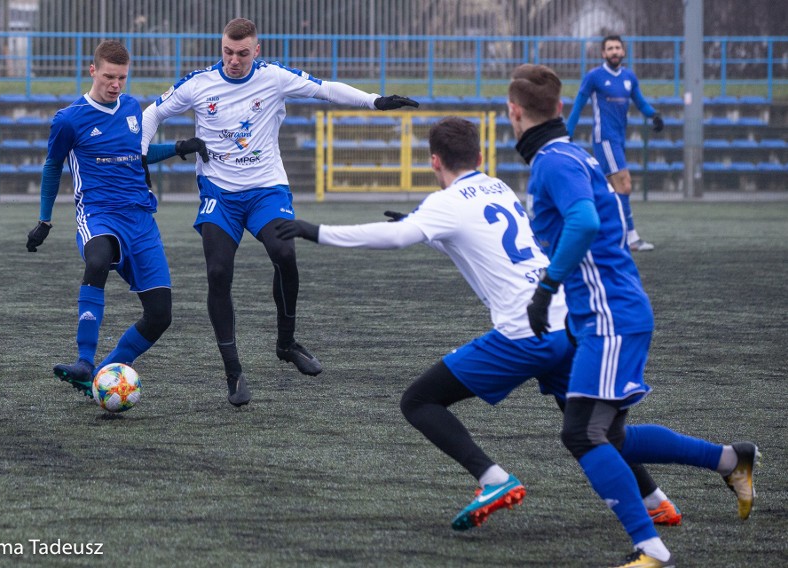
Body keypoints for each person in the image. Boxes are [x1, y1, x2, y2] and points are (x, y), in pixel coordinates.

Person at [275, 116, 683, 533]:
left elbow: (399, 238)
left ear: (434, 162)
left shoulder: (444, 203)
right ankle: (655, 500)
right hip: (568, 321)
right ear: (480, 155)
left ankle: (493, 479)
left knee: (418, 401)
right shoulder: (498, 185)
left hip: (526, 330)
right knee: (595, 432)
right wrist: (424, 229)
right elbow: (482, 241)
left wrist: (314, 231)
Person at [510, 63, 759, 567]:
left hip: (612, 318)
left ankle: (651, 549)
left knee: (582, 433)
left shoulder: (553, 162)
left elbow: (583, 221)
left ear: (513, 113)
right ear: (560, 109)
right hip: (608, 313)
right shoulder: (569, 154)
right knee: (613, 435)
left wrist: (545, 290)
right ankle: (731, 459)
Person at [140, 18, 419, 407]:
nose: (233, 60)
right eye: (227, 52)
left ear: (257, 51)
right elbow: (152, 114)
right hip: (219, 193)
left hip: (266, 190)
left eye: (242, 53)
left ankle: (286, 343)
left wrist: (375, 100)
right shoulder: (199, 83)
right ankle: (233, 371)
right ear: (221, 49)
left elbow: (326, 89)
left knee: (285, 253)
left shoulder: (274, 77)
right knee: (218, 272)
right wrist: (140, 156)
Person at [25, 40, 209, 396]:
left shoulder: (131, 108)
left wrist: (177, 148)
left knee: (160, 315)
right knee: (97, 259)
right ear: (93, 70)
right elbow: (52, 168)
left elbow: (136, 154)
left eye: (122, 77)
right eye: (109, 76)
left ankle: (101, 374)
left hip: (140, 218)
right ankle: (83, 359)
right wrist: (44, 220)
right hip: (98, 214)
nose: (116, 84)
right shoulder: (69, 119)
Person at [566, 35, 663, 252]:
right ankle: (630, 238)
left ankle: (600, 235)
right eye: (610, 48)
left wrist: (653, 115)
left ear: (623, 52)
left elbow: (640, 101)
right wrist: (568, 132)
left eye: (617, 48)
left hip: (620, 138)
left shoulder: (629, 77)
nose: (614, 51)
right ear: (603, 53)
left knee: (609, 189)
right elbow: (579, 104)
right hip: (605, 138)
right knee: (624, 183)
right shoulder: (594, 76)